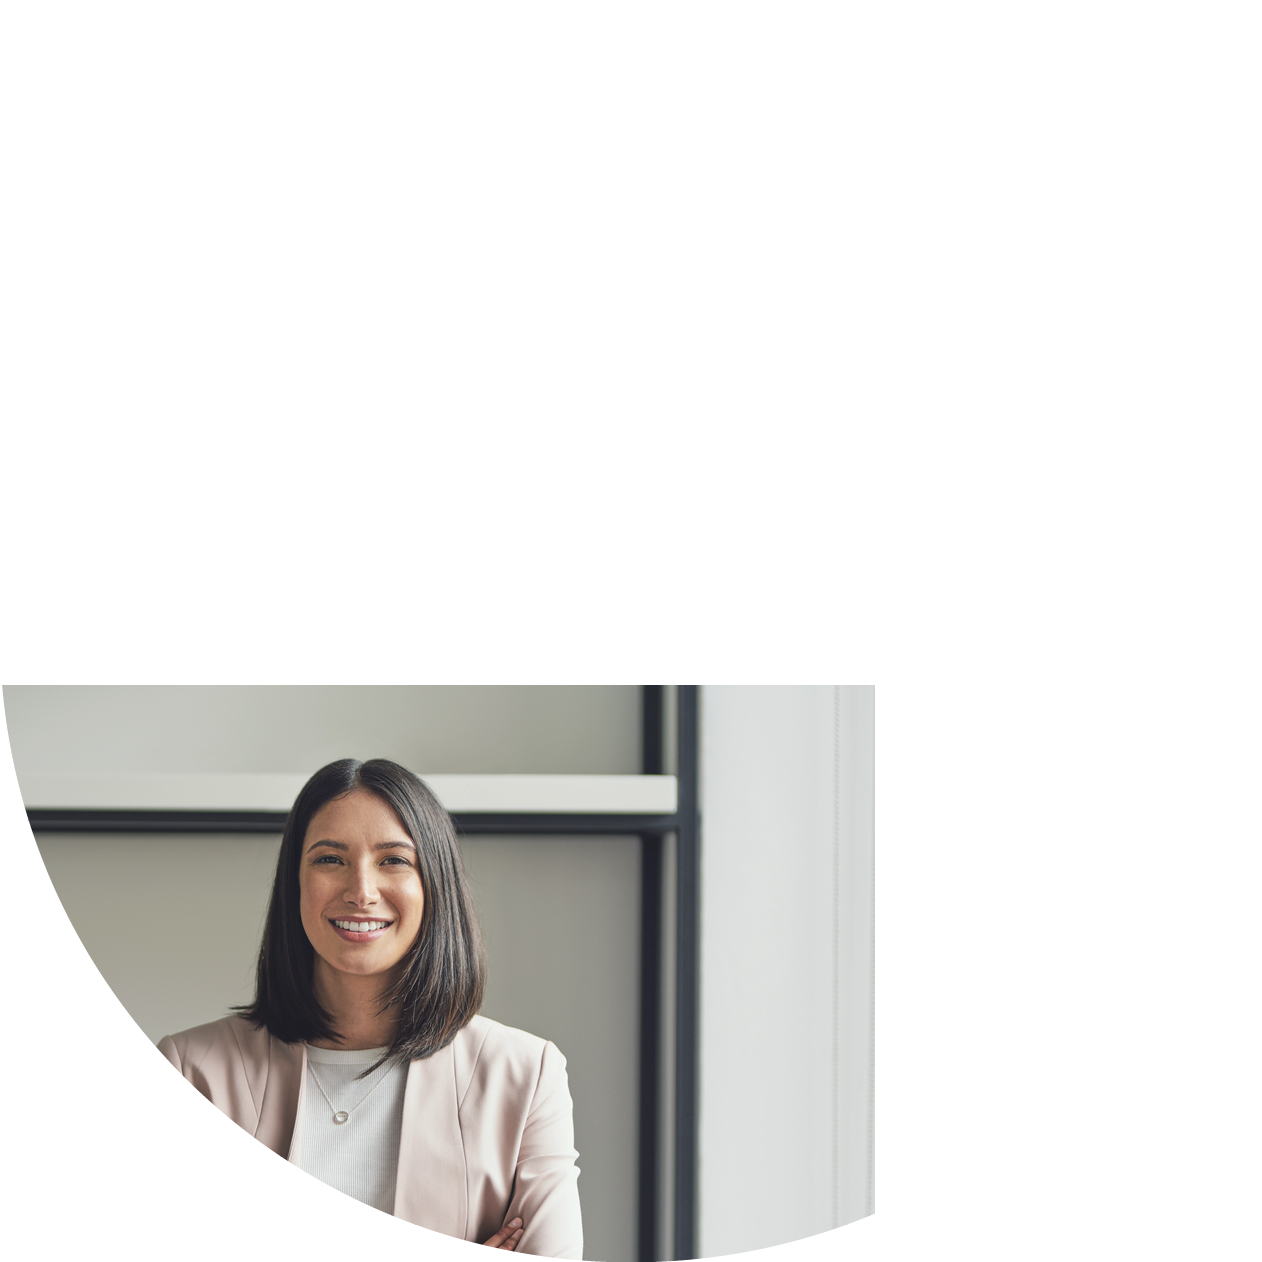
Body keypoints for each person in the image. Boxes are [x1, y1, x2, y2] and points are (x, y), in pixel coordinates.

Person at [157, 758, 583, 1258]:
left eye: (394, 860)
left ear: (435, 885)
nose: (361, 891)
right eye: (330, 859)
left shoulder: (526, 1075)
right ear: (295, 883)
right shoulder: (191, 1072)